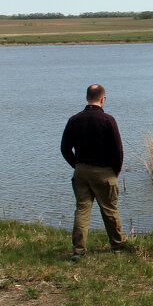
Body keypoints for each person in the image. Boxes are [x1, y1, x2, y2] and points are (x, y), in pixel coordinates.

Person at [60, 84, 127, 259]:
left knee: (82, 210)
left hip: (81, 171)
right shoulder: (108, 120)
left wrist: (76, 165)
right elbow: (118, 150)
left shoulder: (74, 120)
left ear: (87, 98)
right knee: (110, 209)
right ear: (103, 99)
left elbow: (64, 148)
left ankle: (78, 250)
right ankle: (118, 246)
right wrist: (116, 170)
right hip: (104, 172)